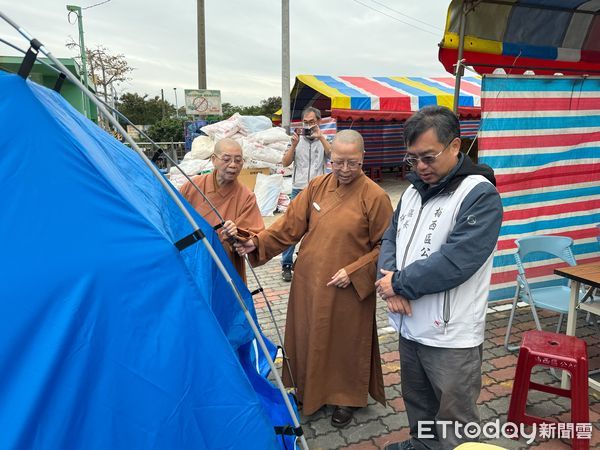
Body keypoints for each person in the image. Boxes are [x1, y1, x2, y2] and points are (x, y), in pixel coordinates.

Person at [236, 130, 392, 428]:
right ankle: (308, 390)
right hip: (309, 282)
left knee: (345, 342)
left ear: (362, 160)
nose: (345, 170)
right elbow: (289, 226)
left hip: (347, 287)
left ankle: (346, 397)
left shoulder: (376, 196)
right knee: (308, 338)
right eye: (338, 162)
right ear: (329, 158)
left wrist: (356, 270)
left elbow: (386, 245)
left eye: (352, 163)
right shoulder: (317, 186)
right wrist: (258, 242)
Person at [375, 106, 503, 450]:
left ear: (455, 146)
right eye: (412, 158)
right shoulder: (414, 191)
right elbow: (390, 237)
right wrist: (390, 284)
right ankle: (422, 446)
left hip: (450, 333)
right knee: (418, 403)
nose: (420, 167)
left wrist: (398, 283)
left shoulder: (479, 194)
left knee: (454, 418)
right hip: (408, 321)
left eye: (428, 157)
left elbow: (457, 261)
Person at [179, 138, 264, 283]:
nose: (233, 165)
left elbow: (255, 233)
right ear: (214, 159)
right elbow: (175, 220)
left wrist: (236, 232)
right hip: (193, 260)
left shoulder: (246, 196)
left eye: (238, 160)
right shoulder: (192, 186)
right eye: (226, 159)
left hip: (226, 265)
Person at [280, 106, 331, 282]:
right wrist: (293, 145)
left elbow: (334, 156)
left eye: (312, 122)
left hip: (320, 189)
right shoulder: (296, 139)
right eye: (306, 122)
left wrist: (321, 137)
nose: (309, 125)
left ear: (319, 122)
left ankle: (312, 263)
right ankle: (286, 263)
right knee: (293, 227)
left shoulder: (324, 140)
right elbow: (285, 163)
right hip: (299, 190)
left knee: (318, 228)